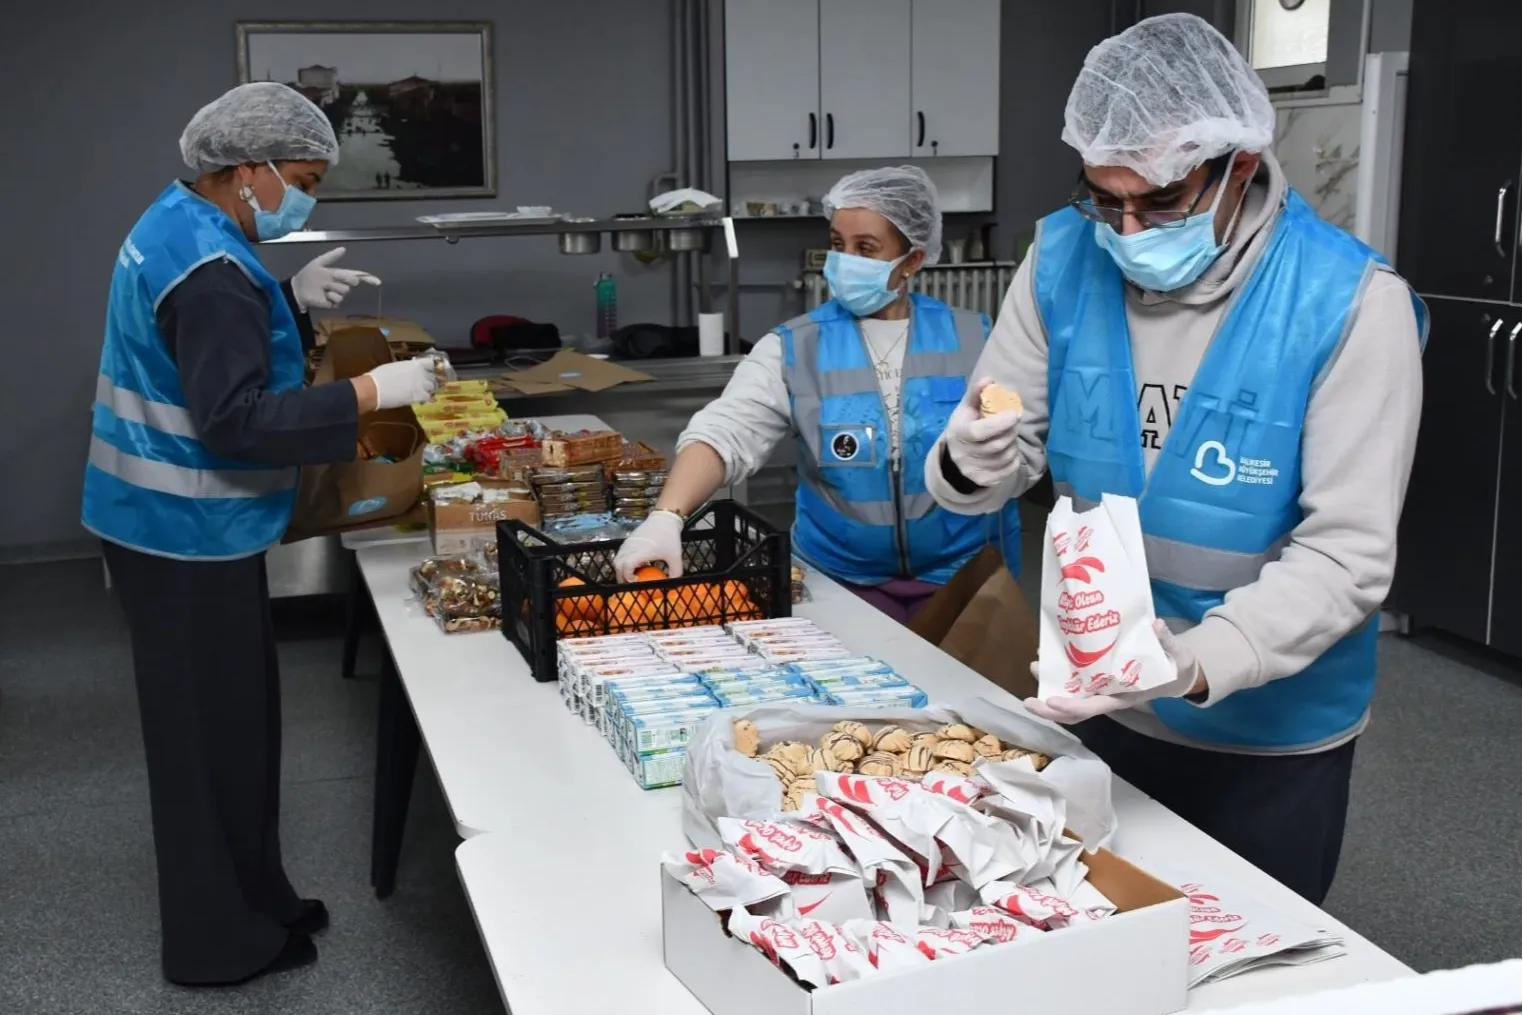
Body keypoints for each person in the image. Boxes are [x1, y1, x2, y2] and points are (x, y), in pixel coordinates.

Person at [925, 14, 1425, 904]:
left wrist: (1194, 662)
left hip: (1268, 733)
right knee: (1087, 936)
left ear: (1238, 165)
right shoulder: (1061, 256)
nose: (1125, 229)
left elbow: (1347, 555)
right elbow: (998, 462)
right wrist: (967, 458)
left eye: (1158, 202)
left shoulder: (1348, 301)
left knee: (1245, 956)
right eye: (1103, 198)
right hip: (1098, 703)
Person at [80, 82, 441, 985]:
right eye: (303, 181)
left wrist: (281, 296)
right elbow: (234, 417)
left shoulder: (182, 220)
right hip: (179, 527)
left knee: (238, 725)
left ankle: (259, 899)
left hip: (182, 526)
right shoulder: (209, 272)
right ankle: (215, 943)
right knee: (204, 746)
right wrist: (371, 392)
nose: (304, 199)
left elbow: (208, 332)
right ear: (247, 170)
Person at [614, 167, 1019, 621]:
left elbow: (1021, 449)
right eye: (837, 244)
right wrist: (667, 515)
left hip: (966, 582)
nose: (845, 261)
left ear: (912, 259)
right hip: (841, 581)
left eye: (866, 248)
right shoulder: (796, 346)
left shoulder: (977, 338)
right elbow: (726, 430)